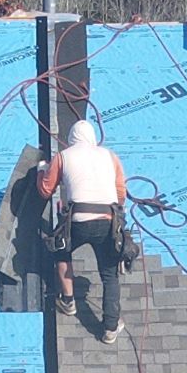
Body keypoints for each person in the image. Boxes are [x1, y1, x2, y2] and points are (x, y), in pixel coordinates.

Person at [40, 117, 128, 343]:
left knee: (61, 251)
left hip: (77, 221)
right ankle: (110, 329)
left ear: (71, 139)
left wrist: (43, 171)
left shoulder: (63, 156)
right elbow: (120, 195)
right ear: (93, 138)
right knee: (109, 274)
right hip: (107, 222)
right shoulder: (110, 156)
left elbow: (45, 190)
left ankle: (68, 302)